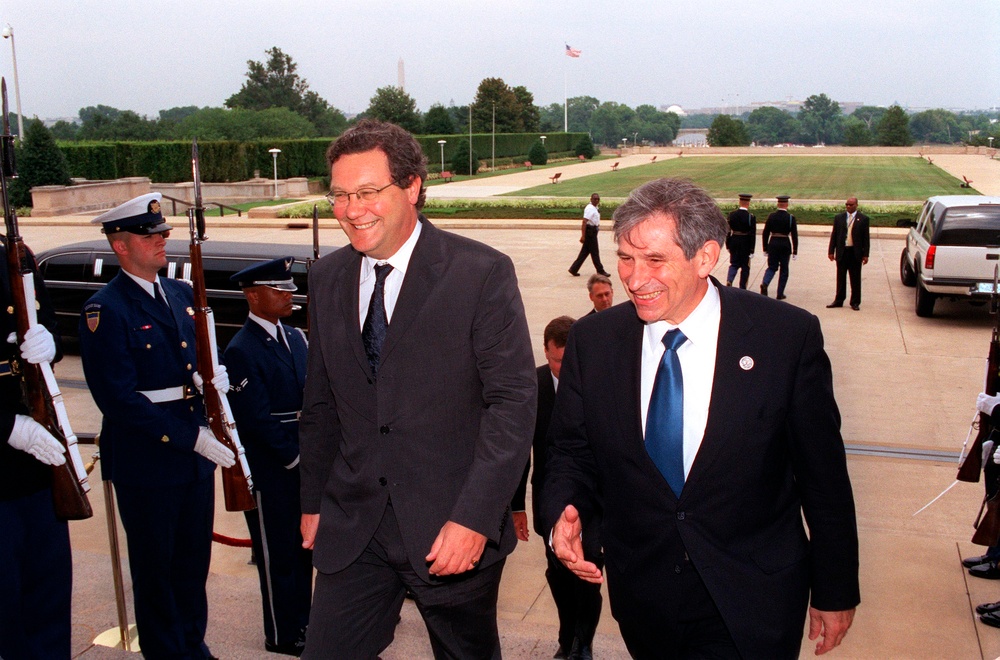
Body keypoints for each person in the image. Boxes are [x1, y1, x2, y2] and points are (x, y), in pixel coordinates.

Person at [542, 178, 860, 658]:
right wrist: (563, 515)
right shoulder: (594, 341)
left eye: (655, 260)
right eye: (626, 258)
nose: (633, 277)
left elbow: (824, 478)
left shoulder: (785, 339)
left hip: (754, 600)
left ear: (706, 257)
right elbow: (570, 452)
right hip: (646, 600)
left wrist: (835, 589)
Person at [299, 119, 536, 659]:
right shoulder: (328, 277)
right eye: (339, 195)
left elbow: (514, 404)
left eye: (367, 192)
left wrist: (474, 516)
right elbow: (320, 402)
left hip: (449, 528)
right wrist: (312, 500)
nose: (351, 209)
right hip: (354, 524)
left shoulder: (480, 274)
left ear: (412, 187)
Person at [79, 192, 234, 660]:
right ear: (121, 245)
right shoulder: (106, 309)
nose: (163, 240)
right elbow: (118, 399)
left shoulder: (183, 295)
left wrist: (217, 377)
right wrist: (192, 439)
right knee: (156, 570)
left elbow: (200, 360)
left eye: (163, 233)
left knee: (192, 565)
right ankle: (167, 653)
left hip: (192, 459)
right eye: (151, 236)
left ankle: (193, 645)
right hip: (148, 459)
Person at [225, 257, 312, 656]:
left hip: (301, 459)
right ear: (254, 296)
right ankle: (281, 633)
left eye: (289, 289)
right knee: (278, 555)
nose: (289, 296)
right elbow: (255, 419)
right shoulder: (241, 349)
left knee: (301, 551)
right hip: (271, 467)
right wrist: (293, 458)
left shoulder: (295, 338)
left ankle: (305, 623)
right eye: (279, 290)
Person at [0, 240, 72, 660]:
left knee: (47, 592)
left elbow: (54, 333)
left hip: (38, 456)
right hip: (9, 445)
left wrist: (50, 342)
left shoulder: (17, 254)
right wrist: (7, 427)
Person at [524, 315, 603, 660]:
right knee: (558, 576)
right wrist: (514, 507)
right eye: (558, 361)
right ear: (546, 352)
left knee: (588, 577)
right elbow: (519, 452)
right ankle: (566, 635)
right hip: (549, 502)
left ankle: (582, 642)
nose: (564, 368)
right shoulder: (533, 386)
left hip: (595, 504)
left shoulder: (600, 382)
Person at [827, 197, 871, 311]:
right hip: (842, 251)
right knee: (841, 278)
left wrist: (866, 254)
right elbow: (834, 235)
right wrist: (831, 251)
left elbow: (866, 238)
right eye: (846, 204)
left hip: (855, 253)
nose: (848, 206)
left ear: (856, 205)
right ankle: (839, 300)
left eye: (851, 205)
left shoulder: (863, 219)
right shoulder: (839, 218)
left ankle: (855, 302)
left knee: (855, 279)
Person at [760, 194, 798, 300]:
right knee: (784, 269)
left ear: (778, 204)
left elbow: (765, 232)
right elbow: (794, 235)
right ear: (786, 204)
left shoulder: (771, 216)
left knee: (772, 267)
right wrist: (795, 250)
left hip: (773, 243)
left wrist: (765, 247)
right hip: (785, 244)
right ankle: (780, 293)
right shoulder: (790, 218)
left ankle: (765, 283)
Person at [569, 193, 612, 278]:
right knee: (595, 252)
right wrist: (583, 236)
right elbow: (584, 222)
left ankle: (574, 269)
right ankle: (600, 270)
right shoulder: (590, 209)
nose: (596, 200)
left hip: (593, 231)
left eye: (598, 199)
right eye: (594, 199)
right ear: (591, 199)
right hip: (590, 233)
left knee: (584, 252)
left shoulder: (595, 208)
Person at [725, 193, 756, 289]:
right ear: (748, 203)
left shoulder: (732, 215)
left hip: (734, 241)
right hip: (745, 243)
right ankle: (742, 287)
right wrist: (751, 249)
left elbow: (728, 231)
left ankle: (730, 280)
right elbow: (752, 234)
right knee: (745, 267)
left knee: (734, 264)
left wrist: (728, 244)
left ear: (740, 202)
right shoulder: (750, 217)